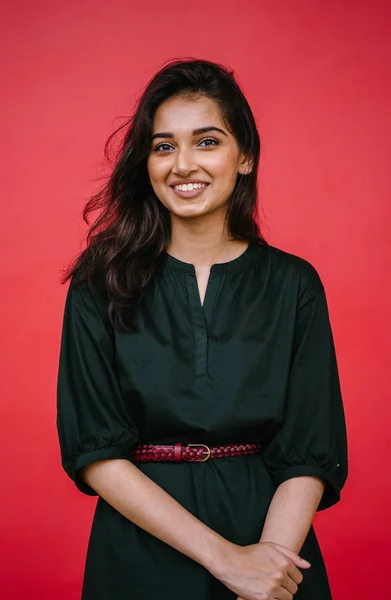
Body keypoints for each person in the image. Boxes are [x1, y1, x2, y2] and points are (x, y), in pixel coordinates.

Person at [56, 57, 348, 600]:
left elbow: (311, 447)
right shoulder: (100, 281)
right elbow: (95, 449)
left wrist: (265, 572)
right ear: (146, 162)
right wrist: (227, 562)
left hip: (273, 543)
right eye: (164, 146)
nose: (183, 164)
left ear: (245, 157)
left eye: (207, 141)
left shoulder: (294, 284)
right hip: (140, 547)